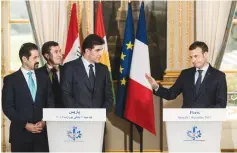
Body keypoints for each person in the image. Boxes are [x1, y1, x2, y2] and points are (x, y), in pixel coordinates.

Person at [2, 42, 54, 152]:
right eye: (34, 57)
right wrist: (25, 124)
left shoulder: (44, 77)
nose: (38, 61)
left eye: (38, 57)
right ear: (24, 59)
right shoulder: (10, 80)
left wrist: (44, 121)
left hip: (42, 136)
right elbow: (7, 107)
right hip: (20, 137)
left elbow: (50, 102)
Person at [146, 41, 227, 108]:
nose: (193, 60)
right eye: (191, 57)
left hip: (208, 123)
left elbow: (221, 104)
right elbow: (170, 94)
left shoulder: (219, 76)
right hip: (186, 123)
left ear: (205, 55)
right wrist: (155, 86)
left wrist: (202, 113)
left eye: (196, 56)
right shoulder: (185, 74)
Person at [37, 41, 64, 108]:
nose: (60, 55)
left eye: (60, 51)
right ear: (47, 56)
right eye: (56, 52)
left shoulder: (68, 71)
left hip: (66, 114)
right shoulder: (37, 74)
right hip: (45, 114)